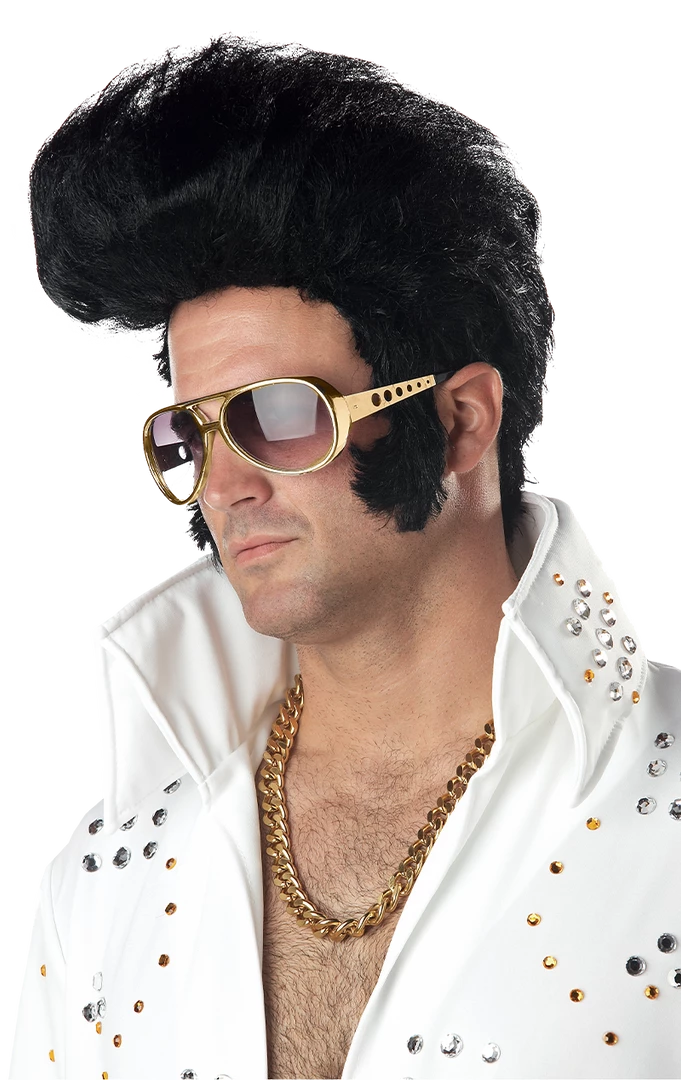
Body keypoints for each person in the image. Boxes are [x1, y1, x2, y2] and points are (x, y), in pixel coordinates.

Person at [13, 31, 679, 1080]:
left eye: (279, 416)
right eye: (189, 435)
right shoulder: (107, 872)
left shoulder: (661, 813)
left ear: (460, 423)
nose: (224, 486)